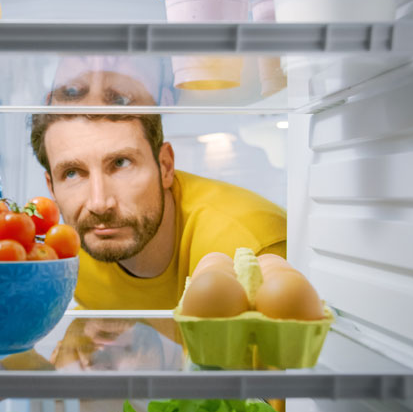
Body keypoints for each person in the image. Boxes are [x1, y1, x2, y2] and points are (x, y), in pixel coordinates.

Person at [29, 56, 287, 310]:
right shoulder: (70, 257)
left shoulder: (253, 249)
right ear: (51, 188)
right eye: (73, 173)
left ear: (165, 166)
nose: (99, 204)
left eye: (120, 163)